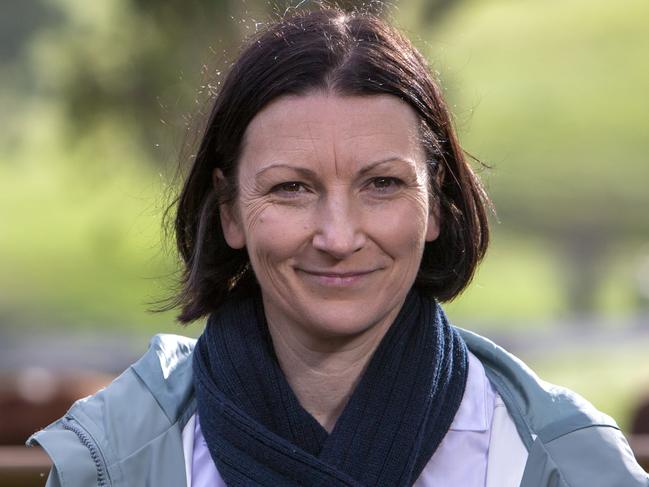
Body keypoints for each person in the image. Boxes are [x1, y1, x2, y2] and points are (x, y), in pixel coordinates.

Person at [27, 6, 648, 487]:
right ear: (230, 212)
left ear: (436, 204)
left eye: (382, 184)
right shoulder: (113, 461)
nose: (340, 236)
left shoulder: (565, 462)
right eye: (292, 188)